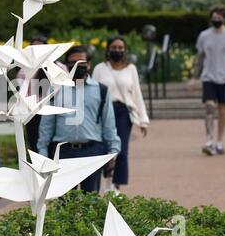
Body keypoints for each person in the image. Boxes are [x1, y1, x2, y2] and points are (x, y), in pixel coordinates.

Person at [37, 46, 121, 192]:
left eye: (81, 62)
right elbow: (46, 125)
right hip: (63, 152)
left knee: (91, 203)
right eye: (72, 62)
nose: (76, 66)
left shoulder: (101, 90)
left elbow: (109, 124)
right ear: (67, 65)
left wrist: (112, 152)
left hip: (92, 151)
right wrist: (43, 154)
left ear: (89, 64)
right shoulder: (56, 89)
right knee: (65, 203)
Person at [92, 36, 149, 193]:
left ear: (124, 50)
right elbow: (92, 91)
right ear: (108, 49)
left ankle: (116, 187)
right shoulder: (99, 69)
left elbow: (137, 94)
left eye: (120, 47)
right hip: (104, 111)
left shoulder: (131, 69)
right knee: (106, 148)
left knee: (122, 150)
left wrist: (143, 120)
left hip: (124, 112)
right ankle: (107, 181)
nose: (117, 50)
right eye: (114, 47)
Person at [188, 6, 225, 155]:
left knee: (222, 109)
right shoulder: (204, 35)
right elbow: (200, 58)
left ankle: (219, 142)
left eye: (219, 18)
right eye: (214, 18)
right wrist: (194, 77)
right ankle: (209, 141)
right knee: (209, 106)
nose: (216, 20)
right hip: (208, 77)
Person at [16, 34, 68, 152]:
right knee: (36, 149)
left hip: (55, 114)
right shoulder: (24, 71)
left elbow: (66, 92)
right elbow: (23, 97)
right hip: (34, 115)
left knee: (55, 148)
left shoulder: (60, 68)